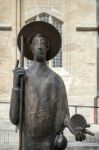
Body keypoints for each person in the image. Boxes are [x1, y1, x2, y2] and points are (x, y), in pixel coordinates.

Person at [9, 21, 86, 150]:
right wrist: (16, 86)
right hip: (28, 144)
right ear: (31, 48)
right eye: (35, 43)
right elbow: (14, 118)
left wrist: (74, 129)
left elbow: (64, 115)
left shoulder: (57, 80)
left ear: (48, 47)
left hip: (50, 144)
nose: (39, 47)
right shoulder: (23, 78)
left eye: (43, 43)